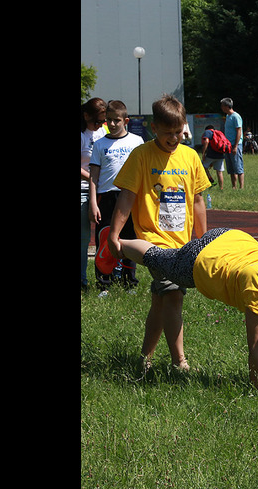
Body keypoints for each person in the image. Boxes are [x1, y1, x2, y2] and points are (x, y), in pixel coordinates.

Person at [111, 228, 258, 395]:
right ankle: (117, 245)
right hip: (201, 259)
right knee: (158, 258)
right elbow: (256, 351)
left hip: (231, 237)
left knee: (166, 263)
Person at [101, 94, 210, 372]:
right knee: (173, 295)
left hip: (183, 243)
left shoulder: (190, 156)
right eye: (167, 133)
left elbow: (197, 201)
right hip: (153, 241)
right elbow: (126, 197)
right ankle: (179, 363)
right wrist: (114, 234)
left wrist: (204, 240)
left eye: (179, 132)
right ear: (154, 130)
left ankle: (144, 359)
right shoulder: (142, 155)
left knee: (160, 301)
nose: (174, 139)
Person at [89, 100, 145, 291]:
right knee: (104, 239)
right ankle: (104, 284)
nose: (112, 124)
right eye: (108, 120)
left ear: (126, 120)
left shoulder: (137, 142)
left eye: (117, 121)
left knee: (129, 239)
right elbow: (94, 177)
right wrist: (93, 203)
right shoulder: (99, 144)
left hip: (130, 197)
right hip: (106, 197)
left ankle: (129, 282)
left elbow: (142, 174)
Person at [81, 97, 107, 292]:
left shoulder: (103, 131)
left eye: (102, 122)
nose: (99, 126)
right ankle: (82, 281)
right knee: (83, 237)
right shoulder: (82, 135)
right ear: (85, 115)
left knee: (106, 234)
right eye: (95, 122)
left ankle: (108, 278)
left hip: (103, 189)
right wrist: (93, 179)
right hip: (83, 188)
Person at [221, 97, 245, 189]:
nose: (221, 108)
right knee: (231, 168)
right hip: (227, 145)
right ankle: (233, 187)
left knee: (238, 166)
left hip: (235, 145)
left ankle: (241, 187)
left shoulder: (236, 116)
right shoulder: (228, 116)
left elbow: (239, 131)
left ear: (227, 106)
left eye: (222, 106)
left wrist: (235, 146)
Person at [200, 125, 226, 190]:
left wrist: (203, 153)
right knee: (219, 172)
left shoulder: (207, 132)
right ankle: (221, 188)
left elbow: (206, 141)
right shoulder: (219, 133)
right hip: (220, 155)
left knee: (202, 167)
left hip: (211, 155)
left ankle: (211, 181)